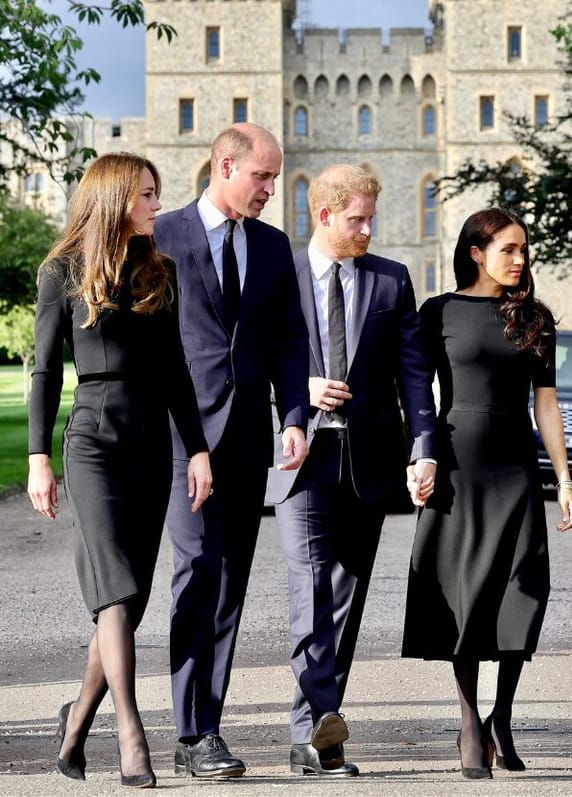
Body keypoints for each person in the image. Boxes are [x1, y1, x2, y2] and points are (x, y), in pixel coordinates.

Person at [28, 152, 213, 787]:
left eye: (157, 194)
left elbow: (176, 373)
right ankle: (131, 731)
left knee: (125, 601)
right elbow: (46, 372)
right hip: (92, 447)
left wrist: (196, 449)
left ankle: (74, 728)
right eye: (147, 195)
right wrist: (37, 458)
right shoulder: (62, 272)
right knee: (114, 589)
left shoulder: (159, 272)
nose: (158, 205)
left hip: (147, 449)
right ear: (114, 198)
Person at [263, 165, 437, 776]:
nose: (368, 229)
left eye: (371, 218)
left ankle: (315, 730)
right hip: (301, 456)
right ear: (324, 215)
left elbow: (414, 373)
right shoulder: (278, 272)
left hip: (368, 461)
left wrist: (424, 445)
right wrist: (298, 390)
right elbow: (248, 358)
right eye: (357, 219)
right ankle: (316, 728)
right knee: (309, 586)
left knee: (347, 598)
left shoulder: (392, 280)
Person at [153, 123, 310, 778]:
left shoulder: (274, 249)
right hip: (179, 441)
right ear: (225, 165)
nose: (271, 190)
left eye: (274, 178)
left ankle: (202, 726)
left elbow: (290, 342)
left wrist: (295, 415)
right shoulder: (162, 237)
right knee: (196, 571)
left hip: (248, 444)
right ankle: (192, 731)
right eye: (262, 177)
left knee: (229, 584)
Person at [401, 207, 572, 779]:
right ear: (476, 252)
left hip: (515, 468)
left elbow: (545, 403)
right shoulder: (439, 312)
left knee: (520, 593)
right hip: (457, 470)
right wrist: (418, 455)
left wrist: (565, 478)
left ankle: (502, 714)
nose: (520, 259)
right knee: (465, 595)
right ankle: (469, 723)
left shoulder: (534, 317)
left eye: (524, 249)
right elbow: (416, 395)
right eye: (509, 248)